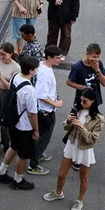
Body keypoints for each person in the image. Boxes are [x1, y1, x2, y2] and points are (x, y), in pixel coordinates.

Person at [0, 54, 39, 191]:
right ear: (31, 70)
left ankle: (1, 172)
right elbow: (32, 114)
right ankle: (18, 180)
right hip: (24, 126)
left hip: (13, 121)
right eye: (36, 68)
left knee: (13, 146)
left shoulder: (16, 77)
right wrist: (36, 129)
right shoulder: (30, 90)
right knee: (23, 155)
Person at [29, 45, 65, 176]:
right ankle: (34, 164)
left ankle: (38, 154)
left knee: (45, 135)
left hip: (46, 109)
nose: (60, 60)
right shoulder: (45, 73)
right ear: (49, 57)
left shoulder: (43, 66)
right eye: (57, 58)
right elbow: (41, 95)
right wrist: (55, 103)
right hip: (45, 111)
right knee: (42, 137)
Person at [66, 42, 105, 111]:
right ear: (87, 53)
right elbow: (69, 82)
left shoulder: (99, 64)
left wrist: (97, 70)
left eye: (98, 57)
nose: (96, 59)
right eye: (94, 57)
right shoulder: (77, 67)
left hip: (94, 100)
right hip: (82, 100)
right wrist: (82, 87)